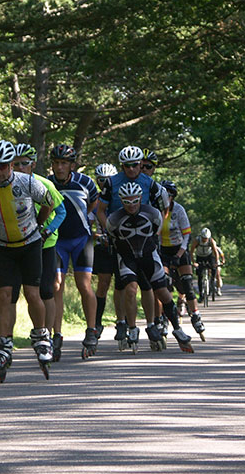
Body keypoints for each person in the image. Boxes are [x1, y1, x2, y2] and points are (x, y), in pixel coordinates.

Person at [0, 140, 56, 382]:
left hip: (30, 244)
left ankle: (42, 337)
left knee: (32, 293)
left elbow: (50, 202)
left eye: (3, 166)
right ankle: (3, 344)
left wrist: (39, 222)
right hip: (1, 247)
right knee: (4, 296)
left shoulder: (26, 182)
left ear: (11, 165)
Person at [106, 182, 193, 352]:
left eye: (135, 201)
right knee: (130, 290)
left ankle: (177, 329)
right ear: (121, 201)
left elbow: (155, 233)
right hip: (127, 257)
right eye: (127, 201)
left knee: (163, 292)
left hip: (149, 255)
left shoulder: (152, 213)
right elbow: (113, 238)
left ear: (140, 199)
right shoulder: (114, 219)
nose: (131, 205)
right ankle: (132, 329)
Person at [96, 146, 167, 342]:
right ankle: (122, 323)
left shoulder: (149, 183)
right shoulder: (112, 183)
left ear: (141, 164)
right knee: (122, 285)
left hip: (144, 239)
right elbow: (101, 210)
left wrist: (156, 232)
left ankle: (152, 324)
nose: (132, 169)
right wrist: (109, 230)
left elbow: (162, 208)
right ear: (122, 166)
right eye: (127, 166)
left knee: (147, 284)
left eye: (136, 165)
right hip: (120, 239)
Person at [9, 143, 67, 360]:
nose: (20, 167)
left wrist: (47, 229)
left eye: (25, 163)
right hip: (20, 244)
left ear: (33, 164)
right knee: (25, 291)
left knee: (46, 290)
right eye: (16, 164)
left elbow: (61, 212)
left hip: (46, 243)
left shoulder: (44, 184)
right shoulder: (9, 185)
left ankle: (49, 336)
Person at [47, 144, 100, 358]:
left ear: (72, 165)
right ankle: (56, 334)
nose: (59, 167)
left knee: (83, 284)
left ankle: (91, 330)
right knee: (56, 285)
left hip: (81, 239)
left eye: (64, 163)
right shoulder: (47, 183)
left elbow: (94, 203)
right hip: (57, 241)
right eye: (56, 163)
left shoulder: (85, 182)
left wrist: (85, 221)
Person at [157, 180, 205, 338]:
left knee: (187, 284)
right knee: (164, 284)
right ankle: (163, 318)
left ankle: (196, 315)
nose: (166, 198)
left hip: (180, 248)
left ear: (173, 196)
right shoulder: (156, 210)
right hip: (163, 250)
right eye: (164, 195)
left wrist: (179, 255)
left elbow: (187, 235)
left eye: (169, 195)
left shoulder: (179, 210)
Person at [92, 163, 119, 338]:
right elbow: (87, 226)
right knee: (103, 284)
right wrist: (98, 236)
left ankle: (122, 321)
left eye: (108, 180)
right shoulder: (93, 200)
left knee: (123, 285)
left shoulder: (119, 197)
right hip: (102, 246)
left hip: (120, 245)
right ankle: (97, 322)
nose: (104, 183)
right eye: (101, 180)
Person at [190, 227, 220, 300]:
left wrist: (216, 262)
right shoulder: (197, 240)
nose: (204, 240)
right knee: (200, 276)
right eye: (203, 238)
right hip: (199, 257)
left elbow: (216, 252)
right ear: (201, 236)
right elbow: (191, 252)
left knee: (213, 268)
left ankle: (212, 283)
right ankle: (201, 294)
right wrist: (194, 262)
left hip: (209, 256)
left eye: (206, 238)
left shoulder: (211, 241)